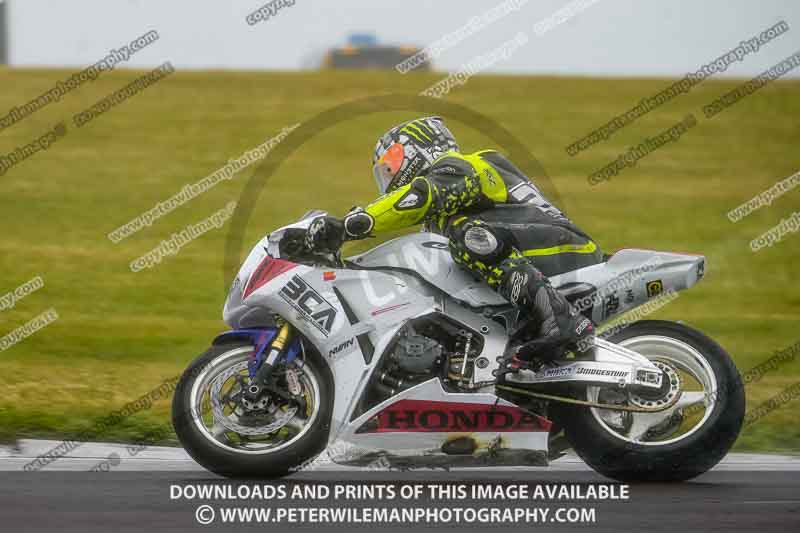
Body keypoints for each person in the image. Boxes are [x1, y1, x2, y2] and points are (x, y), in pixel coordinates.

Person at [292, 116, 600, 362]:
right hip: (527, 256)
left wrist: (355, 224)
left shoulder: (464, 166)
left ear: (417, 149)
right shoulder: (441, 223)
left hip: (566, 247)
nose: (387, 178)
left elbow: (425, 194)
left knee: (470, 236)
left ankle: (561, 318)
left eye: (391, 164)